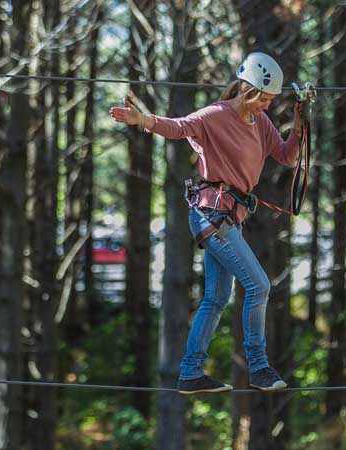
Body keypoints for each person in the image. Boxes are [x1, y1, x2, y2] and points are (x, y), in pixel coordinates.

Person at [110, 52, 303, 394]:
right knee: (259, 286)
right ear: (249, 91)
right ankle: (258, 368)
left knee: (216, 298)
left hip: (231, 218)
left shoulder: (261, 124)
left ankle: (191, 372)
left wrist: (301, 123)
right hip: (211, 215)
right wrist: (143, 119)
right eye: (265, 99)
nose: (268, 107)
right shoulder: (215, 115)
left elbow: (288, 157)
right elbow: (178, 127)